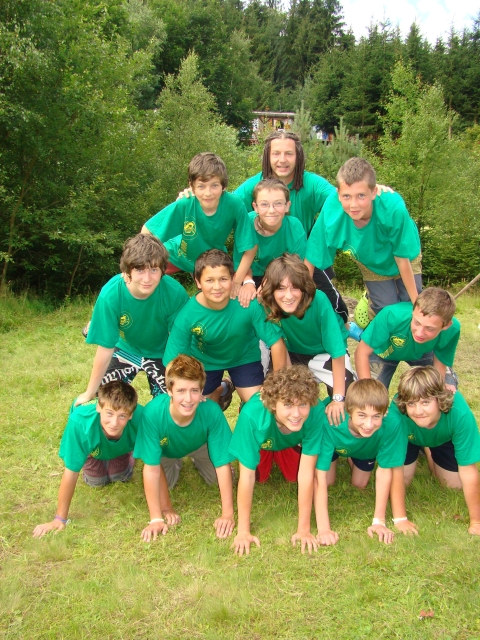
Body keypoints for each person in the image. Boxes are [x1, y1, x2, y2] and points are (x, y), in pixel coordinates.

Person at [234, 130, 349, 322]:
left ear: (298, 156)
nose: (282, 160)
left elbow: (344, 199)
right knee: (249, 303)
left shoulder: (311, 183)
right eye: (276, 153)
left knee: (324, 300)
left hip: (301, 257)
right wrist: (191, 197)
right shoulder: (254, 186)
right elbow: (225, 207)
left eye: (289, 153)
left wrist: (373, 190)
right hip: (261, 264)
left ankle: (342, 328)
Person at [163, 249, 288, 407]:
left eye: (223, 279)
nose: (217, 286)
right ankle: (222, 390)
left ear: (233, 278)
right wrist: (178, 391)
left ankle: (232, 389)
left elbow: (276, 342)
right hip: (205, 362)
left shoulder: (247, 303)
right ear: (198, 282)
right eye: (209, 280)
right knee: (197, 406)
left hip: (243, 358)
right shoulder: (188, 314)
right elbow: (172, 360)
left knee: (259, 405)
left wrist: (277, 385)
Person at [76, 234, 188, 405]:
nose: (147, 279)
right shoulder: (111, 294)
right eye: (140, 270)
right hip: (125, 347)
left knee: (171, 404)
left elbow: (180, 341)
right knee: (104, 401)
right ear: (127, 271)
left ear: (163, 270)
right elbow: (105, 347)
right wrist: (90, 392)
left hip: (163, 352)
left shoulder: (174, 293)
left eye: (154, 269)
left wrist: (178, 383)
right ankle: (94, 327)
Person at [133, 355, 236, 541]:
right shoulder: (153, 414)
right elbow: (151, 468)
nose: (188, 399)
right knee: (162, 485)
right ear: (169, 390)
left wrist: (227, 514)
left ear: (202, 391)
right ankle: (175, 462)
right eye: (181, 390)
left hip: (200, 443)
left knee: (219, 479)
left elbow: (222, 463)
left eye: (194, 391)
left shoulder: (211, 411)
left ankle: (198, 459)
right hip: (167, 450)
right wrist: (157, 517)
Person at [305, 157, 422, 317]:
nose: (353, 204)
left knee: (409, 305)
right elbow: (314, 252)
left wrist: (417, 304)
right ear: (338, 194)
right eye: (346, 196)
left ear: (373, 192)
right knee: (385, 311)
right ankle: (371, 300)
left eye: (361, 195)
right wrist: (304, 294)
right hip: (371, 263)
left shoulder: (393, 208)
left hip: (406, 257)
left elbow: (402, 259)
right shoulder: (332, 210)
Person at [228, 366, 325, 556]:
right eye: (288, 404)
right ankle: (268, 448)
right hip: (264, 438)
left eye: (302, 404)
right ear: (273, 404)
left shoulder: (315, 411)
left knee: (293, 476)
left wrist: (304, 529)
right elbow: (246, 476)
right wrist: (243, 531)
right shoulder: (252, 415)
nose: (296, 413)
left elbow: (307, 473)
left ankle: (283, 449)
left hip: (291, 439)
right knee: (259, 477)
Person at [314, 379, 417, 546]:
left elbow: (386, 470)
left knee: (359, 483)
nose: (369, 424)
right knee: (327, 481)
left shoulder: (392, 423)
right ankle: (340, 455)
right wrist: (324, 529)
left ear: (384, 413)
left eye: (376, 416)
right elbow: (318, 477)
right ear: (349, 410)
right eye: (362, 415)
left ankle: (353, 455)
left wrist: (379, 522)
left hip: (366, 448)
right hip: (334, 444)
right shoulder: (331, 420)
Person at [33, 381, 141, 537]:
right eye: (109, 413)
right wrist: (59, 519)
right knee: (97, 481)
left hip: (120, 447)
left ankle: (125, 453)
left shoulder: (141, 418)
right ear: (98, 407)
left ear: (130, 415)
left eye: (122, 416)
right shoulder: (79, 422)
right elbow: (71, 471)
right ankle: (90, 455)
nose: (114, 422)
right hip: (91, 446)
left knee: (120, 476)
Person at [142, 152, 257, 296]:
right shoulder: (185, 203)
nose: (208, 193)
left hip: (210, 259)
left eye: (214, 185)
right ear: (192, 186)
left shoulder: (234, 205)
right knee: (144, 280)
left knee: (217, 299)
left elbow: (250, 247)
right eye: (201, 186)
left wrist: (237, 282)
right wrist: (143, 263)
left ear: (224, 185)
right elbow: (147, 231)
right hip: (176, 254)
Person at [260, 254, 355, 426]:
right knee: (272, 399)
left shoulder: (318, 300)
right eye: (281, 288)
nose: (288, 296)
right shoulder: (269, 304)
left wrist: (338, 398)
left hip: (324, 353)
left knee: (350, 400)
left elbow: (337, 351)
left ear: (304, 288)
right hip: (293, 352)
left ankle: (332, 430)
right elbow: (278, 346)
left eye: (295, 288)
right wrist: (285, 383)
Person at [392, 366, 480, 536]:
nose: (418, 411)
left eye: (425, 402)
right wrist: (400, 519)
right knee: (401, 481)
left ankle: (429, 448)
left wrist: (476, 522)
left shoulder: (459, 413)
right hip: (410, 438)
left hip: (442, 438)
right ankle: (423, 445)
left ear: (439, 399)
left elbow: (468, 469)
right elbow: (393, 465)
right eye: (411, 403)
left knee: (454, 485)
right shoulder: (397, 413)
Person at [355, 287, 459, 392]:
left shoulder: (452, 329)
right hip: (383, 352)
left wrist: (438, 388)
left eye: (430, 328)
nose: (419, 333)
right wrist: (368, 391)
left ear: (446, 325)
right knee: (372, 394)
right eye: (417, 323)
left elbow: (440, 363)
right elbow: (361, 353)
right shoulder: (391, 315)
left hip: (422, 352)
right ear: (413, 312)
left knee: (446, 388)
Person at [233, 177, 307, 308]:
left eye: (278, 204)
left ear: (287, 206)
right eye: (264, 204)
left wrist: (267, 284)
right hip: (251, 274)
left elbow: (295, 267)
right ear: (255, 207)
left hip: (283, 276)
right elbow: (240, 260)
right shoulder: (246, 223)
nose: (271, 210)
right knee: (242, 301)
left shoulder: (295, 228)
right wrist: (248, 282)